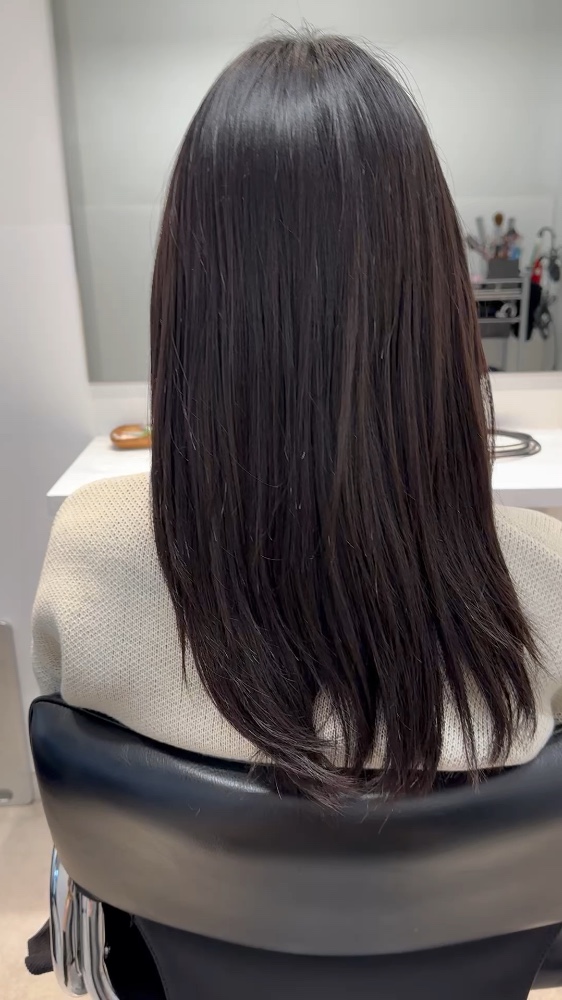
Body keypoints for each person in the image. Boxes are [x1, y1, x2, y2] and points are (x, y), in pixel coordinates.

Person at [33, 33, 562, 803]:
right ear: (433, 302)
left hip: (179, 889)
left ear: (191, 306)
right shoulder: (543, 584)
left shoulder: (88, 557)